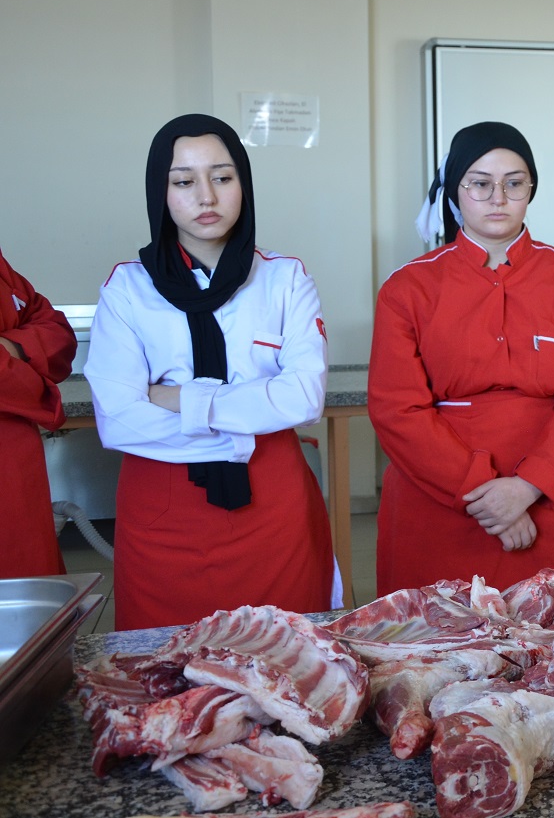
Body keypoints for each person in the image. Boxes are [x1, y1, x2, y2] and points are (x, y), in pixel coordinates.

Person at [86, 114, 333, 629]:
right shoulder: (127, 288)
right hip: (163, 515)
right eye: (183, 181)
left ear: (243, 183)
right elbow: (120, 419)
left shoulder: (284, 279)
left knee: (288, 668)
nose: (206, 197)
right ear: (161, 191)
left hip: (273, 509)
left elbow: (304, 399)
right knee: (163, 679)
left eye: (223, 177)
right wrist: (247, 418)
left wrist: (180, 400)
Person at [370, 122, 554, 595]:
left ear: (531, 189)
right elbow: (396, 409)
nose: (498, 197)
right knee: (437, 654)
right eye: (480, 183)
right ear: (454, 192)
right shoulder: (408, 289)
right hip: (442, 502)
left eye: (514, 182)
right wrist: (487, 495)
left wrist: (527, 487)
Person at [0, 250, 77, 578]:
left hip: (19, 472)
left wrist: (13, 349)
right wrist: (25, 361)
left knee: (36, 607)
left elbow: (57, 331)